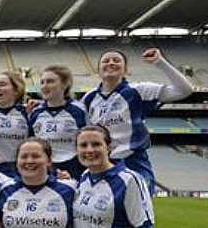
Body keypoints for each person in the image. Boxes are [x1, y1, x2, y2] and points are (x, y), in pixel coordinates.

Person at [81, 48, 193, 188]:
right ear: (98, 70)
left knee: (140, 207)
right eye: (106, 60)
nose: (111, 63)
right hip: (101, 165)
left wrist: (160, 62)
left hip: (133, 163)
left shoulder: (139, 90)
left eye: (116, 60)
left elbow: (185, 90)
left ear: (125, 69)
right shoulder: (88, 98)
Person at [29, 65, 87, 178]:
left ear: (65, 84)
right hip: (45, 169)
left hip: (74, 167)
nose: (45, 86)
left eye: (50, 81)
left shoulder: (79, 110)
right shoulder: (35, 113)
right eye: (42, 82)